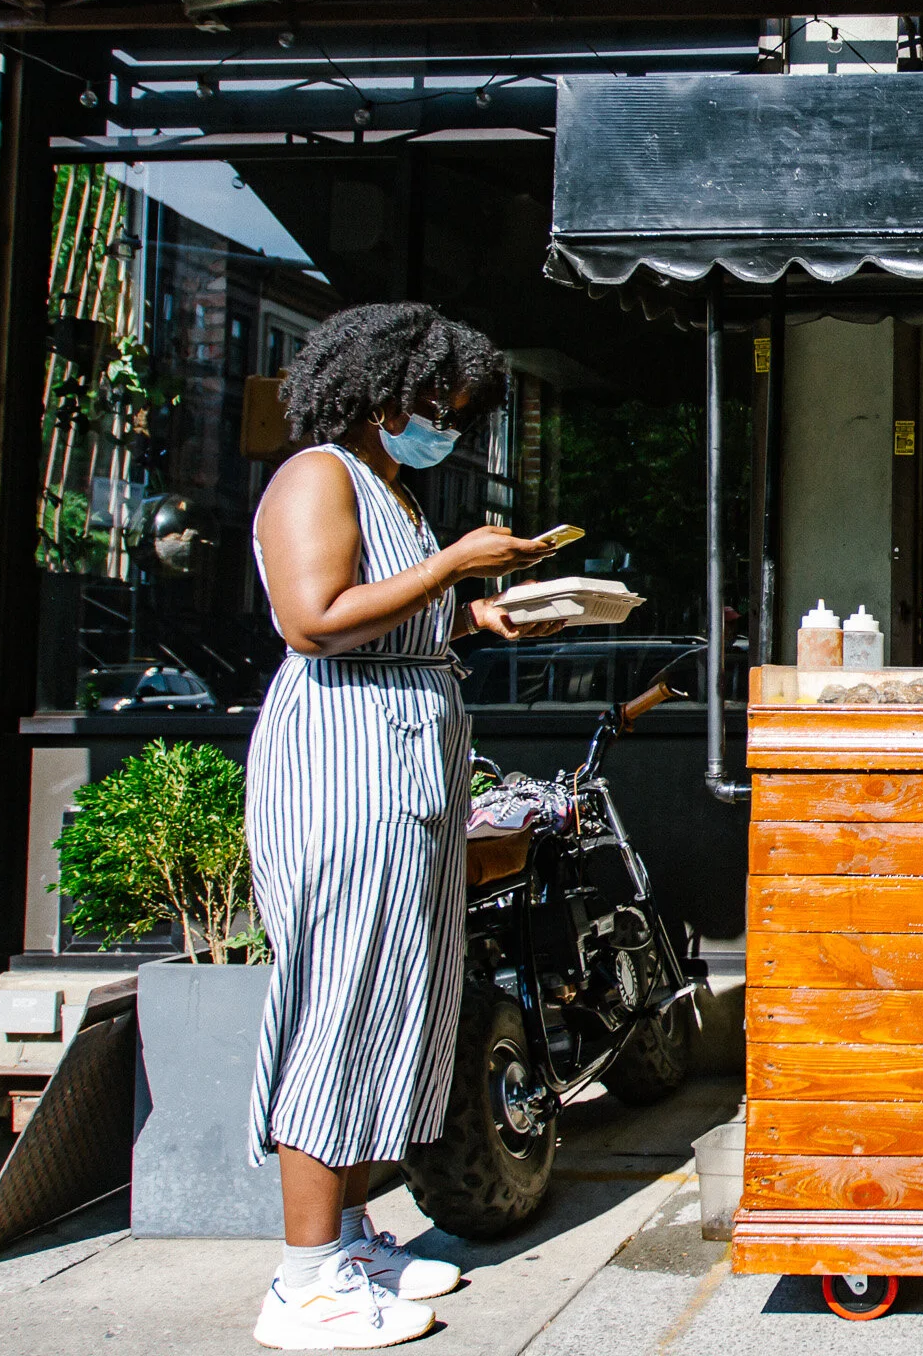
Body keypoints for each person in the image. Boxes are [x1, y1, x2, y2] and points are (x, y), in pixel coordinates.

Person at [246, 303, 566, 1350]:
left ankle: (345, 1233)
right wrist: (448, 569)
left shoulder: (387, 487)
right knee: (340, 997)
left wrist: (473, 613)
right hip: (345, 764)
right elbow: (314, 616)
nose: (449, 428)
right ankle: (304, 1280)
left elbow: (385, 607)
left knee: (392, 994)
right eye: (437, 407)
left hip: (403, 766)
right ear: (379, 390)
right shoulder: (317, 475)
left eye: (459, 413)